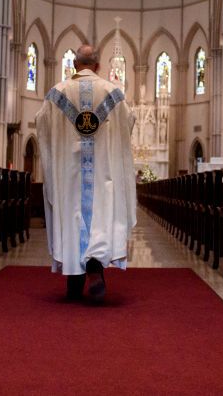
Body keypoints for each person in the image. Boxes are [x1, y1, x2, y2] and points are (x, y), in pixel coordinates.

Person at [35, 44, 136, 302]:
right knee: (100, 216)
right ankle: (94, 267)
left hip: (68, 175)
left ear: (74, 65)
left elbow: (42, 125)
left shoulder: (57, 94)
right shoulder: (113, 93)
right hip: (103, 174)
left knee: (72, 218)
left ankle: (74, 274)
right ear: (98, 66)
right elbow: (129, 122)